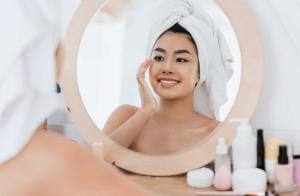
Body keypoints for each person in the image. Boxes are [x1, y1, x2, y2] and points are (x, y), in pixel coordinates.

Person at [104, 23, 219, 154]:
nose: (167, 68)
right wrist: (146, 111)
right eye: (159, 58)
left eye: (181, 60)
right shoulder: (124, 117)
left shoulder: (217, 133)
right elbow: (94, 164)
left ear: (200, 72)